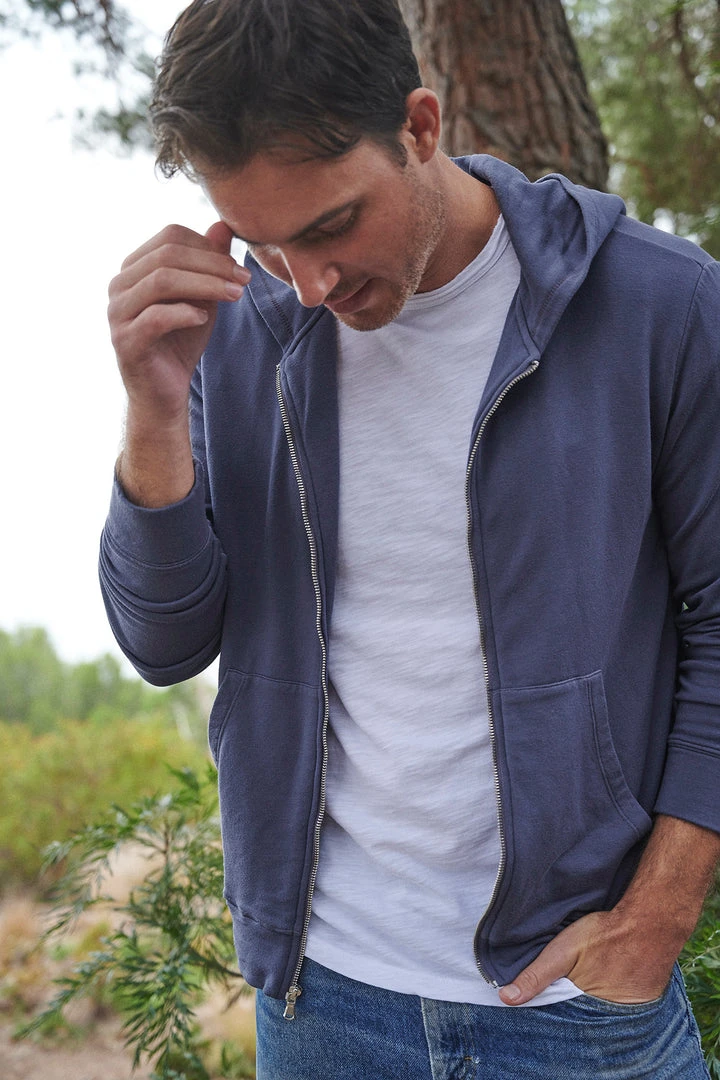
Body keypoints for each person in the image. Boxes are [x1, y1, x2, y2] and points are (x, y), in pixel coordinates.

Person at [100, 0, 720, 1076]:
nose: (307, 283)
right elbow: (164, 644)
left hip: (575, 1007)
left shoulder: (659, 306)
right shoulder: (236, 335)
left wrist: (659, 911)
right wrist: (153, 409)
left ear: (421, 126)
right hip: (325, 999)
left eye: (331, 225)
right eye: (263, 241)